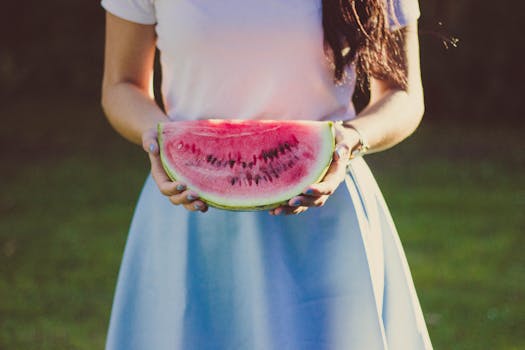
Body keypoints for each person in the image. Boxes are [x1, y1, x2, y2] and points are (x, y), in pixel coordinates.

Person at [100, 0, 432, 348]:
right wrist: (160, 140)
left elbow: (403, 94)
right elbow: (121, 85)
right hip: (191, 213)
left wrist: (350, 139)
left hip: (324, 212)